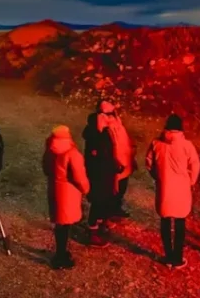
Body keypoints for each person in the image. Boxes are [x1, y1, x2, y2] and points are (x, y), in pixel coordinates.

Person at [145, 114, 200, 269]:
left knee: (165, 220)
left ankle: (168, 256)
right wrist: (191, 180)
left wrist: (157, 176)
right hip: (182, 188)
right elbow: (195, 165)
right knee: (180, 222)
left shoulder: (156, 143)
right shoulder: (187, 145)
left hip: (164, 187)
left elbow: (149, 162)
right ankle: (178, 257)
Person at [43, 125, 91, 270]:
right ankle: (60, 256)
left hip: (55, 189)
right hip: (68, 193)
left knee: (60, 224)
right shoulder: (72, 154)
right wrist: (86, 189)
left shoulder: (50, 150)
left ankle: (60, 252)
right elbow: (79, 177)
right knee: (65, 225)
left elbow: (45, 168)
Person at [96, 100, 136, 220]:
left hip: (124, 158)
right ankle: (109, 211)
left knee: (121, 186)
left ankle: (115, 208)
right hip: (116, 159)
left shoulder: (117, 122)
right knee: (114, 186)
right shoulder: (104, 122)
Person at [82, 112, 112, 246]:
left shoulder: (99, 135)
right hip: (98, 174)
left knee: (101, 200)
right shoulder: (95, 137)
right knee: (97, 200)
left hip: (102, 173)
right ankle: (92, 231)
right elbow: (97, 157)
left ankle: (97, 225)